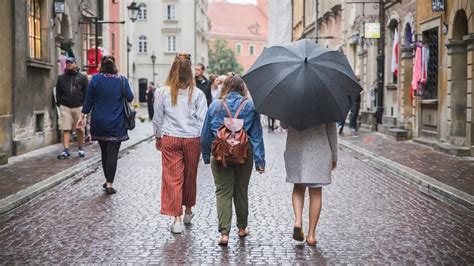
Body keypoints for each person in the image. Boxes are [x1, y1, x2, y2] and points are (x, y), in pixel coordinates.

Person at [201, 73, 265, 246]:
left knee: (223, 192)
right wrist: (260, 162)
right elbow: (257, 135)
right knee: (241, 191)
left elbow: (206, 133)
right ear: (242, 88)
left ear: (226, 87)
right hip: (244, 154)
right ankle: (242, 228)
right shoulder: (250, 106)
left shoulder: (215, 105)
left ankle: (224, 234)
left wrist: (207, 156)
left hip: (221, 154)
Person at [153, 53, 208, 234]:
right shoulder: (198, 94)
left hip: (171, 137)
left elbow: (158, 119)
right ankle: (188, 211)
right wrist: (204, 142)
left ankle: (176, 219)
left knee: (172, 177)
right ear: (190, 73)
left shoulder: (162, 92)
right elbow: (203, 121)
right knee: (190, 176)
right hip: (192, 138)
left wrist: (158, 137)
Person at [76, 55, 134, 195]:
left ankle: (107, 178)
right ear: (114, 66)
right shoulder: (121, 80)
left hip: (99, 122)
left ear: (101, 66)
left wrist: (82, 116)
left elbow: (88, 101)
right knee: (113, 153)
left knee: (104, 152)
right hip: (116, 123)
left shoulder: (95, 79)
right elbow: (130, 97)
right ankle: (109, 183)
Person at [282, 122, 337, 246]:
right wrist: (334, 157)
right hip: (319, 151)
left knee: (298, 187)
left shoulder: (292, 103)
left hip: (296, 149)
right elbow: (331, 131)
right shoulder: (327, 105)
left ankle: (298, 221)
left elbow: (284, 124)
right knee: (316, 191)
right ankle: (311, 235)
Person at [55, 57, 89, 159]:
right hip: (65, 107)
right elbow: (58, 93)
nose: (68, 64)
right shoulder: (61, 78)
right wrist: (60, 103)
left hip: (79, 107)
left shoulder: (82, 78)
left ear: (75, 64)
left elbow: (87, 93)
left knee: (80, 129)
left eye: (70, 63)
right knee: (65, 128)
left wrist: (85, 106)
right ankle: (66, 150)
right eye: (67, 63)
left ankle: (80, 148)